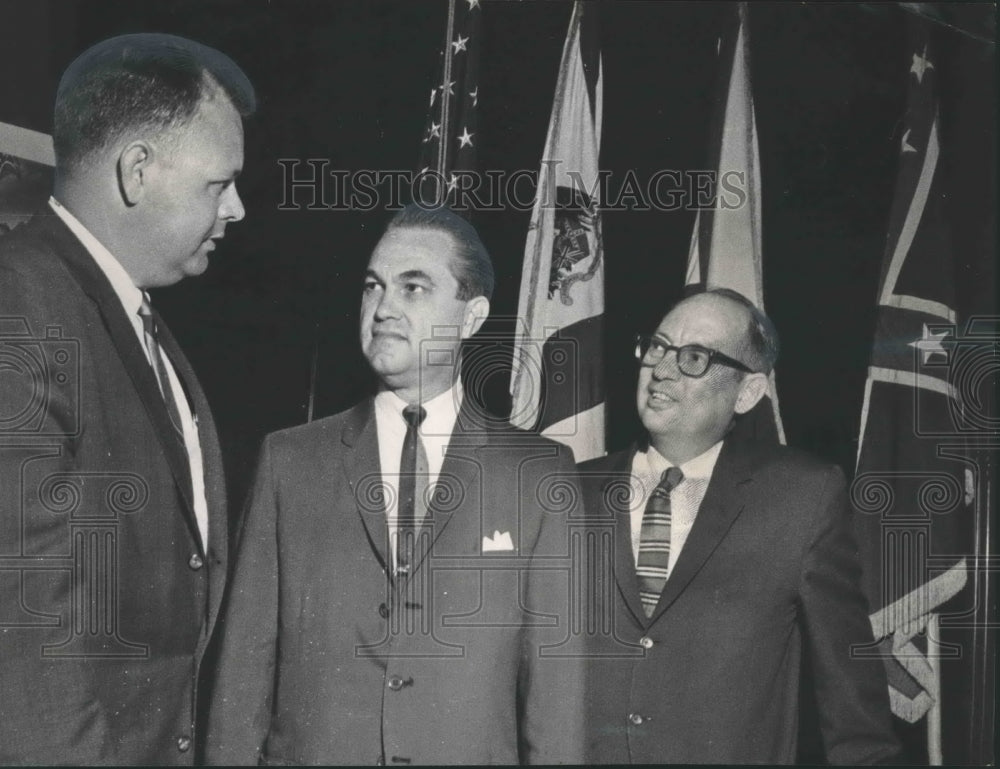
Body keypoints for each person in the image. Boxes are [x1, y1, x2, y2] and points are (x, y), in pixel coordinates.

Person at [206, 205, 584, 765]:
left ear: (471, 316)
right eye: (372, 287)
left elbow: (556, 703)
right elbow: (243, 671)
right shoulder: (290, 459)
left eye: (413, 288)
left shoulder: (539, 473)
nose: (382, 308)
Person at [0, 33, 254, 763]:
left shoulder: (131, 319)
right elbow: (24, 654)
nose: (236, 208)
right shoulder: (20, 310)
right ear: (138, 170)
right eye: (219, 183)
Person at [578, 288, 901, 764]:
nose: (661, 369)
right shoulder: (567, 489)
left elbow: (851, 699)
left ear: (748, 392)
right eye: (658, 346)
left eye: (694, 357)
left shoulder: (801, 498)